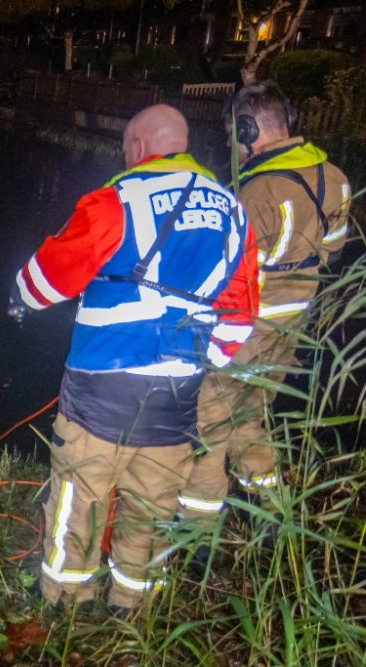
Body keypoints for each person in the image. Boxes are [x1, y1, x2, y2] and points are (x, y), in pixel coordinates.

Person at [8, 105, 259, 613]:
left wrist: (18, 295)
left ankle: (65, 601)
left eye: (127, 148)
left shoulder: (114, 201)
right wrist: (197, 359)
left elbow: (43, 283)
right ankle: (129, 611)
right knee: (151, 507)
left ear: (139, 147)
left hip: (101, 393)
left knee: (80, 499)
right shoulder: (233, 211)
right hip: (176, 398)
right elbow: (242, 313)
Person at [179, 82, 352, 528]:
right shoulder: (334, 177)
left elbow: (224, 271)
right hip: (292, 325)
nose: (230, 146)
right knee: (252, 418)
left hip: (246, 330)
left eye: (231, 135)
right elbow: (334, 248)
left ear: (249, 128)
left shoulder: (256, 190)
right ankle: (272, 515)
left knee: (209, 427)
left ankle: (197, 533)